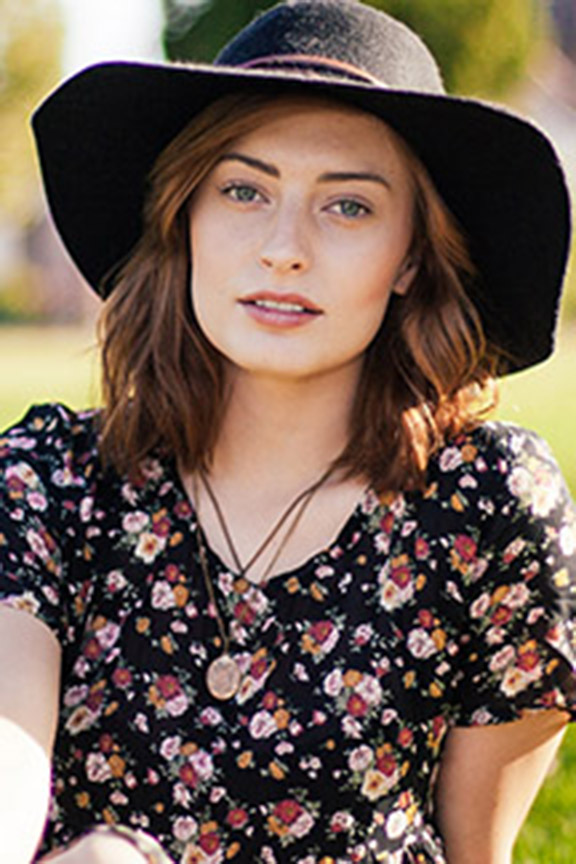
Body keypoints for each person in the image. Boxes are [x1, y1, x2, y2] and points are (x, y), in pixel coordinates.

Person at [1, 1, 575, 862]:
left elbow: (475, 852)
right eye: (243, 190)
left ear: (412, 256)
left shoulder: (488, 506)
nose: (283, 248)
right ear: (184, 218)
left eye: (347, 207)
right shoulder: (51, 481)